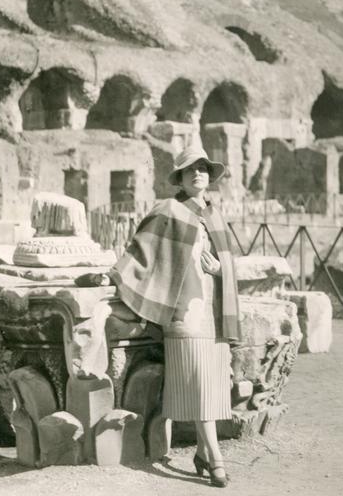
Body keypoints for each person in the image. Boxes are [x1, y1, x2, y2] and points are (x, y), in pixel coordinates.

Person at [80, 147, 241, 487]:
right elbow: (140, 250)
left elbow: (228, 262)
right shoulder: (168, 209)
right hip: (183, 313)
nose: (197, 173)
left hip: (214, 311)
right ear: (180, 178)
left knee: (210, 386)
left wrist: (221, 270)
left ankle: (200, 450)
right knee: (198, 386)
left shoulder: (216, 216)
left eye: (203, 168)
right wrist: (112, 276)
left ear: (209, 175)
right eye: (190, 170)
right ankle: (216, 458)